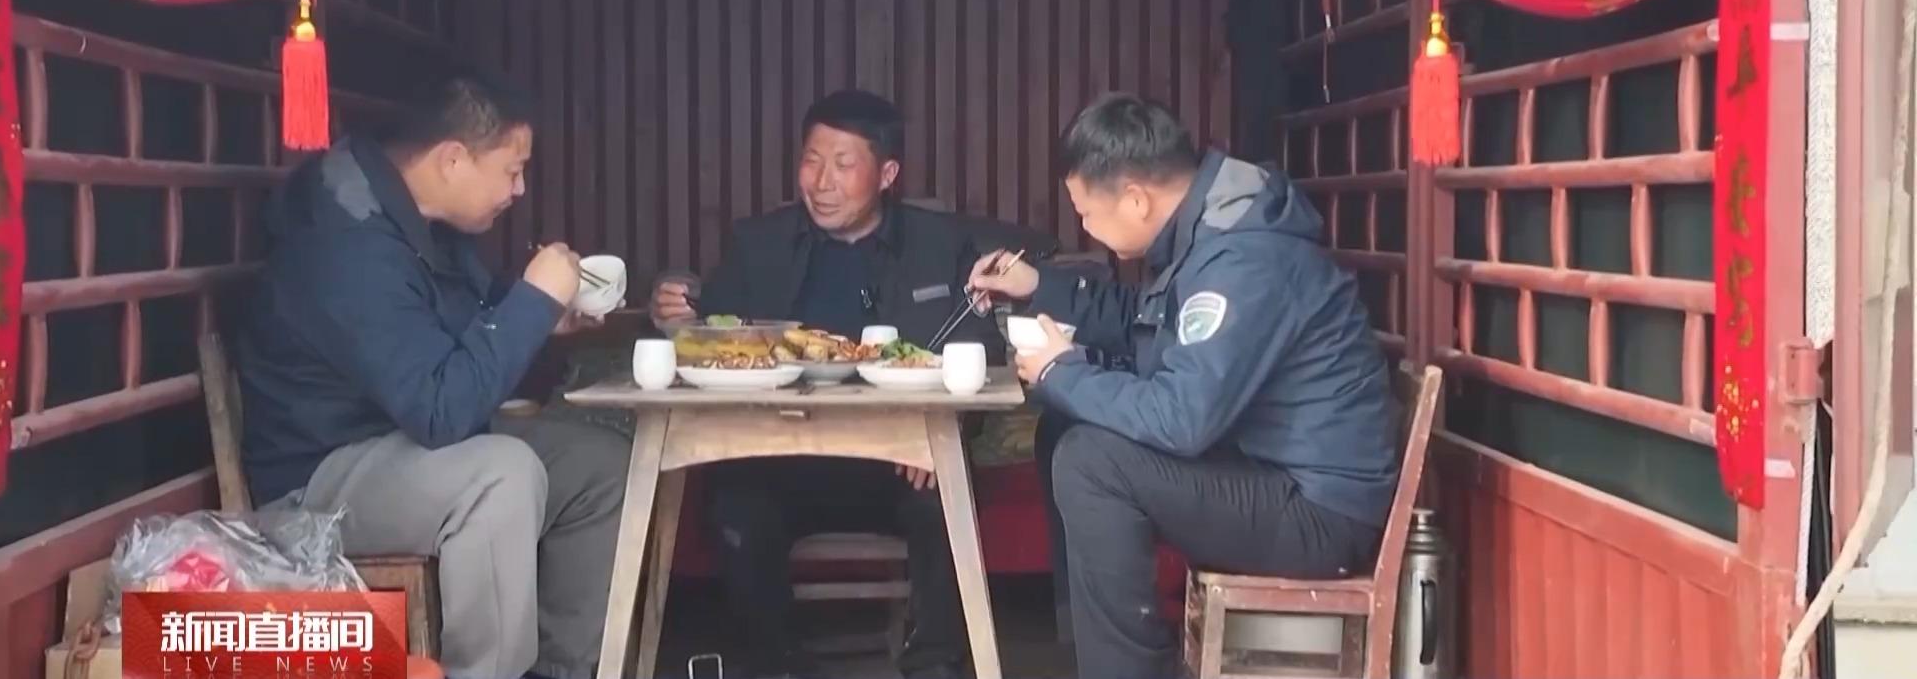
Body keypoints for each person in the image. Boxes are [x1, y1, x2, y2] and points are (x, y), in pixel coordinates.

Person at [967, 92, 1402, 679]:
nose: (1085, 228)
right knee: (1064, 426)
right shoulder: (1214, 229)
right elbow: (1141, 320)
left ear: (1135, 199)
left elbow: (1181, 419)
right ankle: (1092, 655)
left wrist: (1060, 371)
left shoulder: (1243, 261)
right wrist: (1038, 286)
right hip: (1266, 473)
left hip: (1317, 511)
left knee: (1090, 460)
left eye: (1087, 213)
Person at [235, 67, 633, 679]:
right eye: (512, 170)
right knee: (500, 475)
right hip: (320, 478)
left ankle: (562, 672)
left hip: (402, 443)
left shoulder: (419, 220)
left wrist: (541, 316)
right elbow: (442, 411)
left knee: (602, 466)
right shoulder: (348, 242)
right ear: (452, 160)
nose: (520, 189)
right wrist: (531, 304)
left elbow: (464, 322)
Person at [648, 88, 1054, 679]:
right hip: (780, 457)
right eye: (811, 161)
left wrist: (945, 426)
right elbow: (713, 333)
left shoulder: (940, 244)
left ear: (886, 174)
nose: (822, 182)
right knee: (736, 504)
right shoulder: (757, 243)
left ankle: (933, 665)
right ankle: (775, 665)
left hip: (898, 462)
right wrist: (678, 312)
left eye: (843, 164)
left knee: (944, 494)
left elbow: (981, 354)